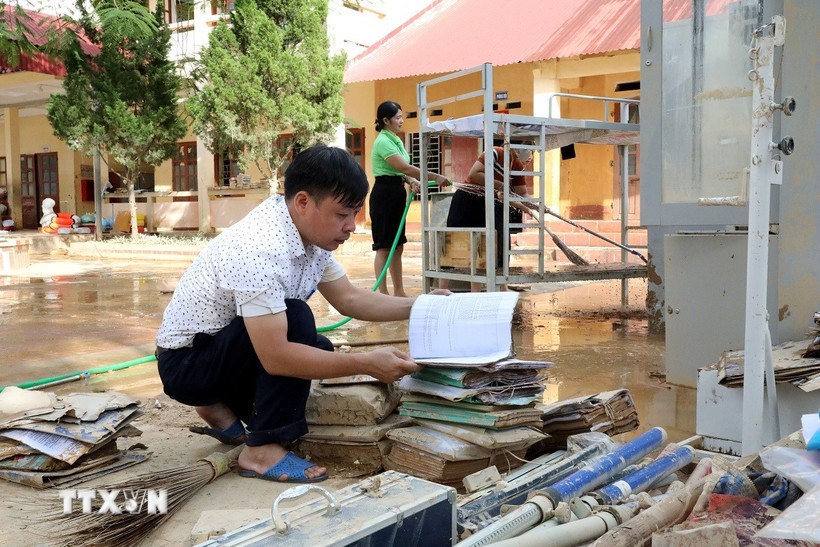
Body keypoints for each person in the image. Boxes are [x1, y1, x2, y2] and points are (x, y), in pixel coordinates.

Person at [155, 144, 447, 483]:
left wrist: (422, 306)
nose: (351, 226)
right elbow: (277, 357)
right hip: (187, 364)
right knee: (296, 321)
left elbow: (350, 298)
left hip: (220, 352)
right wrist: (366, 362)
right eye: (342, 214)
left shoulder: (308, 237)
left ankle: (217, 408)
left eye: (355, 213)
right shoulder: (259, 247)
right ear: (304, 202)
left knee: (317, 347)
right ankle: (260, 452)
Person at [370, 100, 450, 297]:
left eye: (401, 116)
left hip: (396, 193)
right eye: (397, 117)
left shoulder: (395, 139)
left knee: (397, 246)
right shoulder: (383, 141)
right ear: (385, 120)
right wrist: (434, 176)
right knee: (384, 247)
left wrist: (410, 180)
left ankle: (399, 291)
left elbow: (400, 172)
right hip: (384, 195)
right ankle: (383, 293)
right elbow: (402, 167)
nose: (401, 120)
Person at [443, 144, 531, 292]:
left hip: (491, 202)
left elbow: (522, 193)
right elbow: (474, 174)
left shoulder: (517, 165)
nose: (531, 156)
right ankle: (442, 289)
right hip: (468, 200)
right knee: (457, 243)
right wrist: (500, 185)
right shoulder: (496, 152)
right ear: (517, 149)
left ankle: (500, 287)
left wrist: (535, 205)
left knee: (498, 242)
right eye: (531, 151)